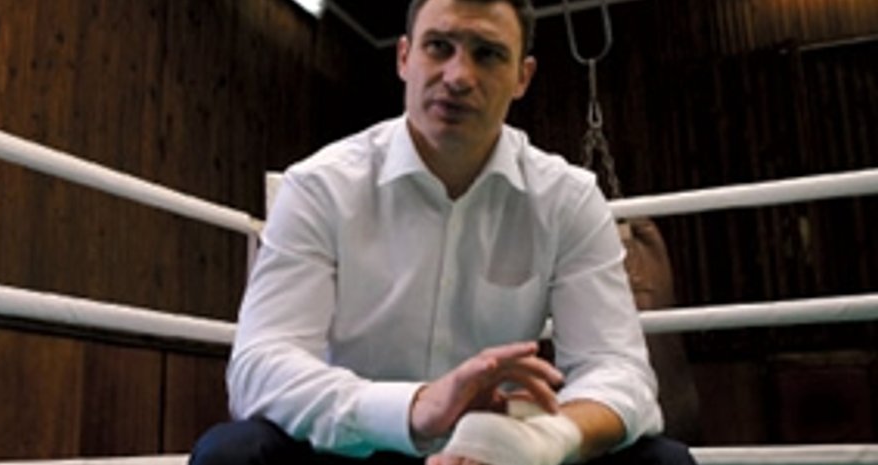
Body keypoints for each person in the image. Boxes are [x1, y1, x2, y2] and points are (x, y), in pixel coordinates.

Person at [191, 0, 697, 463]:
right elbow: (260, 365)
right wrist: (414, 407)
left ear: (522, 77)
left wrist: (540, 442)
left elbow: (619, 370)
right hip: (356, 444)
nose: (458, 76)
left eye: (488, 54)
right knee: (231, 455)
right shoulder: (320, 186)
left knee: (663, 463)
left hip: (495, 449)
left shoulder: (568, 199)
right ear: (404, 57)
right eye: (439, 46)